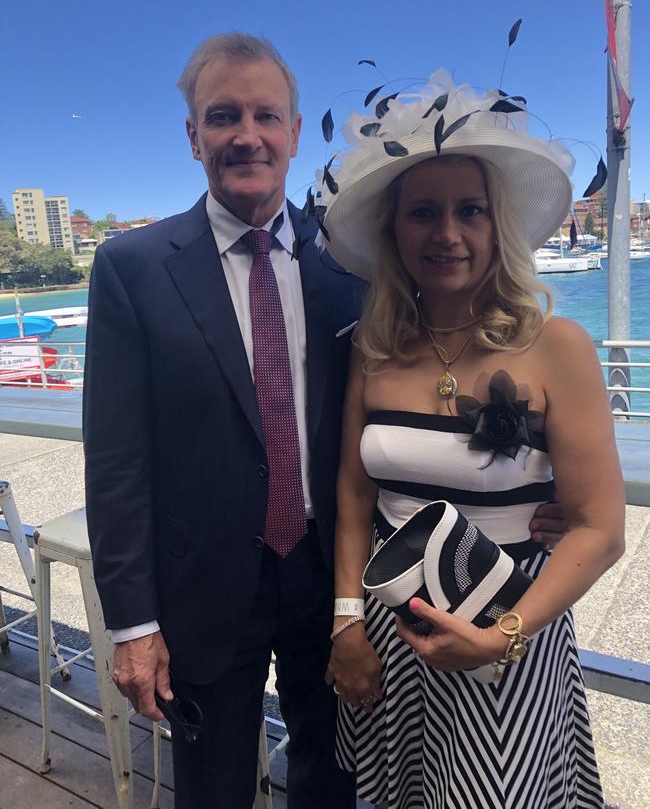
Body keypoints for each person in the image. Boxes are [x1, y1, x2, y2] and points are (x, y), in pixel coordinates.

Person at [83, 41, 567, 809]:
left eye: (265, 115)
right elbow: (114, 459)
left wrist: (537, 486)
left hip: (341, 582)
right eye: (223, 117)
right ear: (192, 136)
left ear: (296, 130)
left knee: (333, 780)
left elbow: (435, 383)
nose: (247, 135)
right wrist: (132, 621)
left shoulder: (356, 266)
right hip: (203, 584)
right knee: (210, 788)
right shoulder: (132, 267)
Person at [320, 72, 625, 808]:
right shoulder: (373, 346)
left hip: (510, 626)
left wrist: (504, 635)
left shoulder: (559, 346)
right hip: (391, 631)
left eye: (470, 211)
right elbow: (356, 494)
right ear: (394, 230)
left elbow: (600, 529)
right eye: (423, 212)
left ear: (499, 226)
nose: (448, 233)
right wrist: (346, 623)